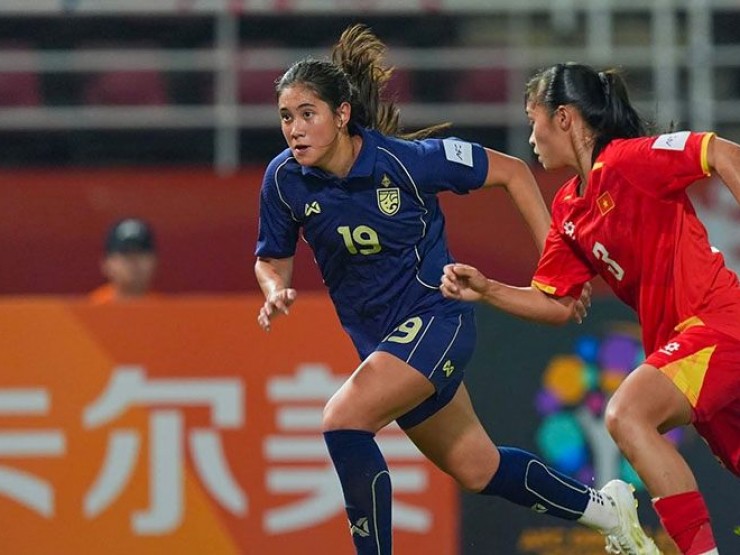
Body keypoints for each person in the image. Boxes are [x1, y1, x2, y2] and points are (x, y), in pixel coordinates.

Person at [255, 26, 659, 555]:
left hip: (436, 319)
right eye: (287, 117)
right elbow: (271, 257)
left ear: (343, 114)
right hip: (383, 342)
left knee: (342, 421)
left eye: (308, 114)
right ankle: (606, 511)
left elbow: (514, 173)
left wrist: (557, 262)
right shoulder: (284, 179)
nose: (295, 129)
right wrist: (274, 288)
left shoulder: (407, 162)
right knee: (478, 467)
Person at [441, 62, 740, 555]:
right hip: (683, 348)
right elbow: (558, 304)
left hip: (717, 325)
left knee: (626, 415)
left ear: (563, 118)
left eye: (533, 119)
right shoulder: (568, 209)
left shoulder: (627, 161)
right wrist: (488, 289)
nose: (530, 136)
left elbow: (721, 151)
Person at [90, 217, 159, 304]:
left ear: (154, 261)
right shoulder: (92, 307)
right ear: (106, 263)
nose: (134, 261)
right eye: (125, 253)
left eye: (140, 253)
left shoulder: (164, 308)